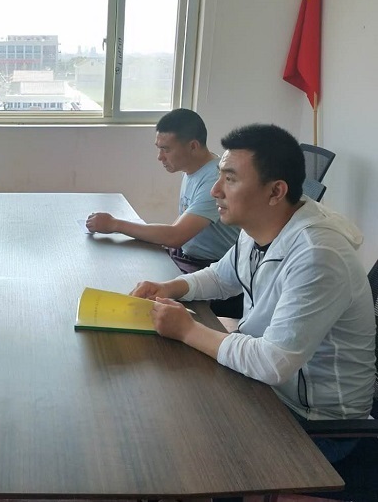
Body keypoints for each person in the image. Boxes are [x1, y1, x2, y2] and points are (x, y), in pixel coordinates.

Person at [131, 124, 375, 463]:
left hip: (317, 426)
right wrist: (171, 287)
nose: (215, 190)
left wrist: (187, 330)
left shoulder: (318, 255)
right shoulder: (260, 225)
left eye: (230, 179)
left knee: (181, 444)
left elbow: (273, 363)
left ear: (275, 192)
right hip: (270, 392)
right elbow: (222, 276)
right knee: (167, 405)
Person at [86, 108, 240, 274]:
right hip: (185, 255)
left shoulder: (214, 179)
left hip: (211, 267)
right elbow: (178, 229)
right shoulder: (191, 169)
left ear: (193, 146)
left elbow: (175, 236)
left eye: (166, 150)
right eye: (159, 149)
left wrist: (114, 224)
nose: (160, 157)